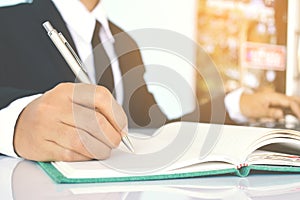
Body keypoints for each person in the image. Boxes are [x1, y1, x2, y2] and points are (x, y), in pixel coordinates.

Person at [0, 0, 300, 162]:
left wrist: (236, 105)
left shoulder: (124, 41)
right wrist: (15, 123)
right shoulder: (8, 22)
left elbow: (157, 130)